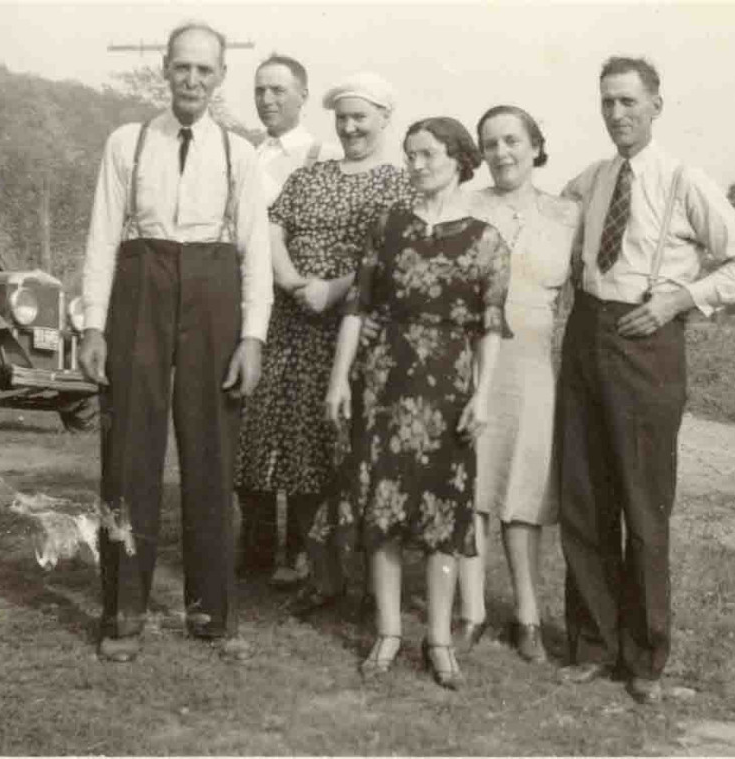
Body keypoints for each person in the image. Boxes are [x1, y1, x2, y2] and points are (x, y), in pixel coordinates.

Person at [557, 56, 735, 702]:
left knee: (643, 503)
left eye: (628, 102)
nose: (617, 114)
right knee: (584, 498)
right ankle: (593, 643)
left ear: (655, 105)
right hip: (586, 332)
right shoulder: (590, 180)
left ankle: (646, 657)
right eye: (607, 103)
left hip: (648, 340)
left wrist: (681, 299)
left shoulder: (685, 180)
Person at [78, 21, 272, 664]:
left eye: (205, 70)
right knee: (129, 453)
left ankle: (211, 614)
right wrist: (94, 326)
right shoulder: (126, 142)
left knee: (212, 456)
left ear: (221, 77)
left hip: (215, 294)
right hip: (141, 288)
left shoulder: (238, 152)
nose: (193, 80)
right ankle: (123, 614)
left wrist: (252, 337)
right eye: (182, 67)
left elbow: (257, 256)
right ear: (165, 68)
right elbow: (103, 237)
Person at [325, 117, 510, 691]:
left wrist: (481, 396)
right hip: (385, 382)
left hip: (448, 390)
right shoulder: (387, 226)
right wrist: (339, 381)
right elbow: (356, 305)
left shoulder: (486, 240)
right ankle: (387, 632)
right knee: (380, 510)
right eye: (409, 155)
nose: (415, 165)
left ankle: (438, 640)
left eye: (427, 154)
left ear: (458, 159)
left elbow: (491, 327)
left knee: (443, 518)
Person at [237, 71, 415, 610]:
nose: (351, 127)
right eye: (342, 118)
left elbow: (391, 257)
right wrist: (291, 281)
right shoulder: (311, 175)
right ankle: (261, 549)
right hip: (290, 319)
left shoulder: (398, 182)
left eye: (361, 117)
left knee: (323, 438)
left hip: (349, 325)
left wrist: (334, 290)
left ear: (384, 119)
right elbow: (272, 226)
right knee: (264, 429)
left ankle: (317, 560)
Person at [453, 105, 578, 664]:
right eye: (490, 143)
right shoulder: (466, 205)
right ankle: (472, 610)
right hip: (474, 361)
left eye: (512, 141)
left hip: (532, 368)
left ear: (535, 145)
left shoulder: (566, 214)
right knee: (474, 488)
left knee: (526, 492)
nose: (501, 153)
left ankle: (528, 615)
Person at [236, 53, 345, 590]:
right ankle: (254, 546)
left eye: (279, 90)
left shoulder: (321, 154)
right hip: (247, 300)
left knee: (302, 428)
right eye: (260, 90)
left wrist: (301, 285)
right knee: (248, 424)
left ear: (303, 95)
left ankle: (302, 550)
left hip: (302, 307)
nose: (268, 99)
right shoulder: (243, 154)